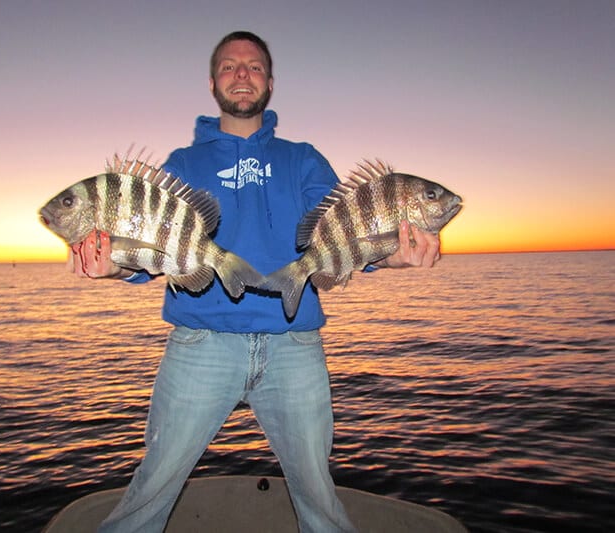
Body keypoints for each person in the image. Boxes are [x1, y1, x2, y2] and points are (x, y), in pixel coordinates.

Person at [69, 31, 441, 533]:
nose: (242, 74)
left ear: (270, 81)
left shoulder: (303, 158)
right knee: (153, 483)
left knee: (317, 491)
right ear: (212, 82)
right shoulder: (182, 164)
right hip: (201, 342)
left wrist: (391, 256)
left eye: (253, 66)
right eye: (229, 66)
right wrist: (116, 266)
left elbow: (338, 236)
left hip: (294, 345)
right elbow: (159, 246)